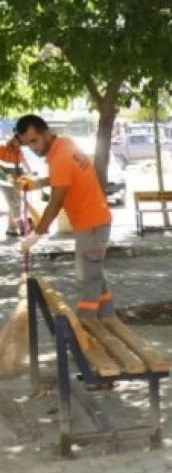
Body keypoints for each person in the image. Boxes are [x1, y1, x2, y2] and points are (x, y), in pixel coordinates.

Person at [1, 115, 115, 321]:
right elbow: (65, 177)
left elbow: (56, 201)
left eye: (34, 140)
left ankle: (85, 326)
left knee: (87, 277)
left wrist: (36, 234)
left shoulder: (60, 157)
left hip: (92, 224)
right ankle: (108, 318)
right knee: (93, 270)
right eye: (27, 143)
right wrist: (38, 183)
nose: (33, 148)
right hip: (92, 221)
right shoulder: (64, 143)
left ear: (46, 133)